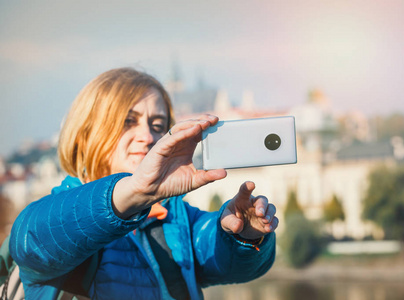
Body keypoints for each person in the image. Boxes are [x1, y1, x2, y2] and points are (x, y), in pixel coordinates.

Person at [9, 67, 278, 299]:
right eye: (128, 121)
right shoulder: (58, 211)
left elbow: (226, 257)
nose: (148, 136)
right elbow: (28, 240)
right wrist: (132, 192)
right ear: (86, 132)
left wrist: (244, 233)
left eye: (158, 124)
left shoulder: (175, 217)